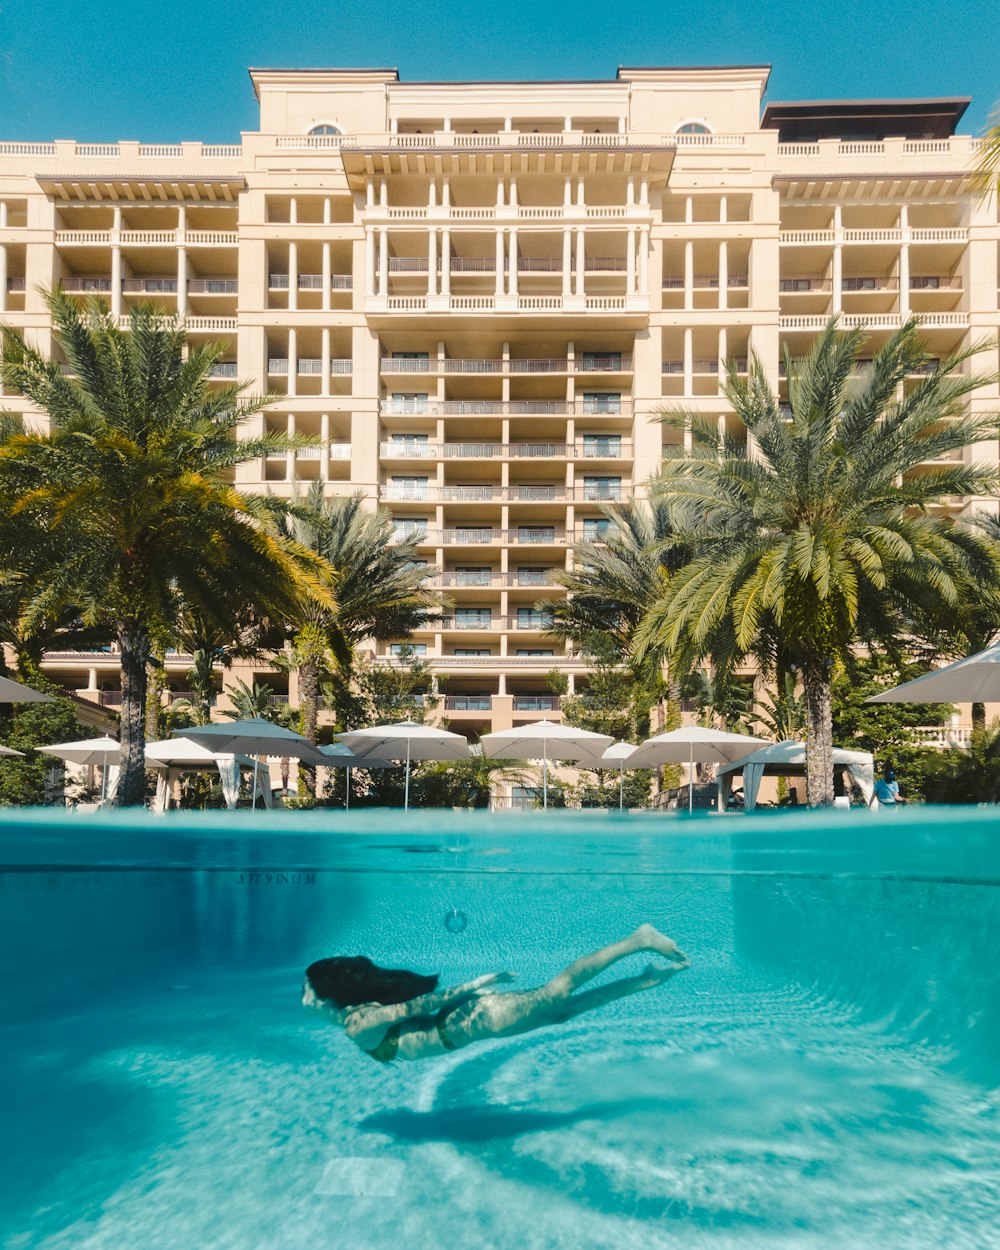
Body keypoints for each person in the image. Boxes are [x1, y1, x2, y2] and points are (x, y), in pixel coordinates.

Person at [302, 924, 688, 1063]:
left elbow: (418, 1004)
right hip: (471, 1024)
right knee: (560, 1012)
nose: (302, 996)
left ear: (324, 994)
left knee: (559, 992)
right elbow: (416, 1008)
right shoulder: (356, 1013)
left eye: (306, 989)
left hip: (470, 1022)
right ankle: (645, 979)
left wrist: (477, 984)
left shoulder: (357, 1024)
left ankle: (639, 940)